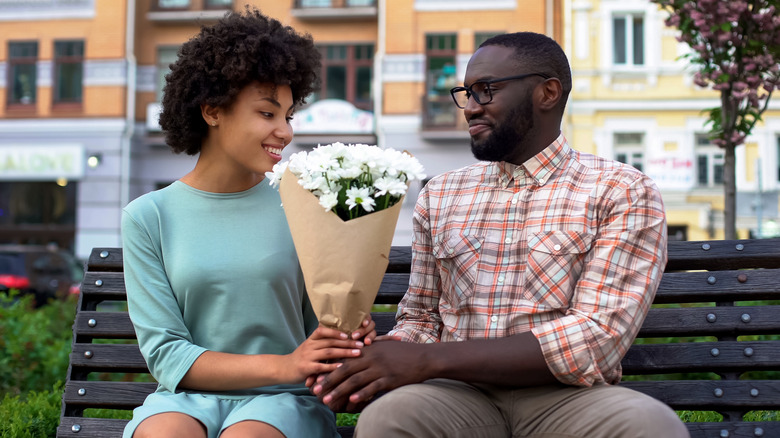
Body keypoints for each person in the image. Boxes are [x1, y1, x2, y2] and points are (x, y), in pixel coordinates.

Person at [311, 32, 690, 438]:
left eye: (486, 91)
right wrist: (375, 358)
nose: (471, 108)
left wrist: (428, 361)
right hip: (455, 398)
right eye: (467, 94)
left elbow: (596, 337)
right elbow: (421, 316)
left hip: (569, 399)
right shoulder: (441, 193)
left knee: (650, 425)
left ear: (547, 93)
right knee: (391, 417)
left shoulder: (621, 190)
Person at [121, 9, 375, 438]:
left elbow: (326, 326)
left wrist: (348, 326)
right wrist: (286, 362)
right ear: (212, 111)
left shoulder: (308, 204)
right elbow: (166, 353)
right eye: (267, 113)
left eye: (289, 115)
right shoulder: (149, 216)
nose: (285, 132)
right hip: (188, 396)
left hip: (285, 400)